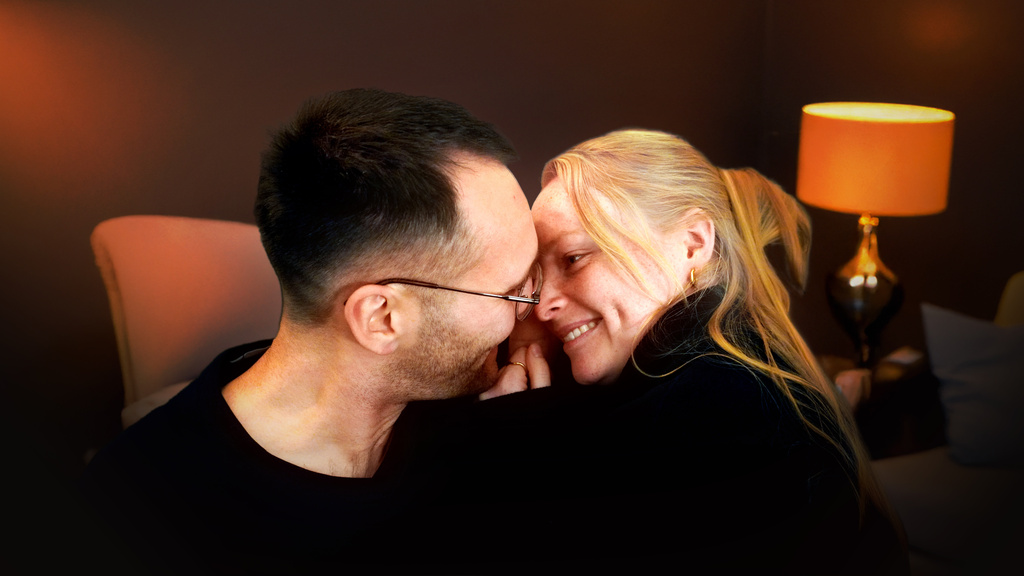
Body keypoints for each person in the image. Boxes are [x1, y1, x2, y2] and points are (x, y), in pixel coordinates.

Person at [79, 88, 544, 574]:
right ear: (382, 318)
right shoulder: (136, 511)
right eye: (513, 292)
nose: (536, 307)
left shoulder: (478, 406)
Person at [422, 128, 909, 573]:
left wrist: (511, 429)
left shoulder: (722, 410)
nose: (543, 304)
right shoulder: (701, 371)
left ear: (692, 244)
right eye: (537, 276)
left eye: (573, 259)